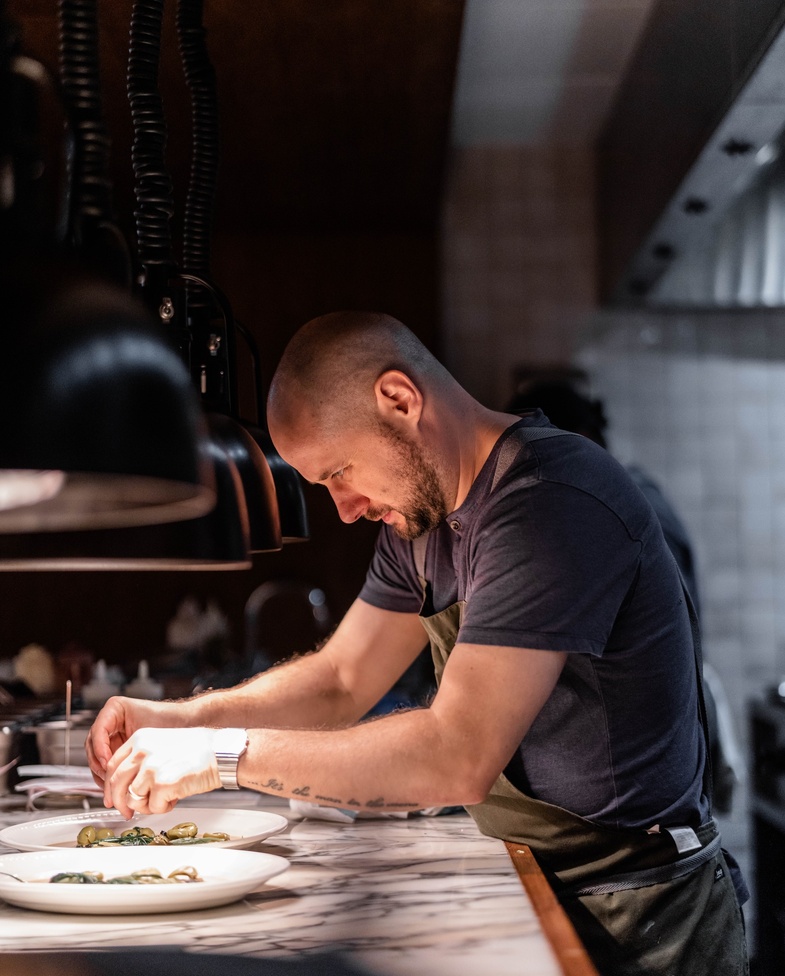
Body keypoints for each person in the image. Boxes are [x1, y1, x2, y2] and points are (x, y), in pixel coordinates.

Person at [86, 312, 748, 976]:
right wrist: (180, 718)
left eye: (340, 472)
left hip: (642, 913)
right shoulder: (421, 528)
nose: (343, 508)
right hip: (539, 878)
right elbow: (342, 679)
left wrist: (218, 757)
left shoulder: (549, 504)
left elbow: (456, 753)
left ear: (399, 400)